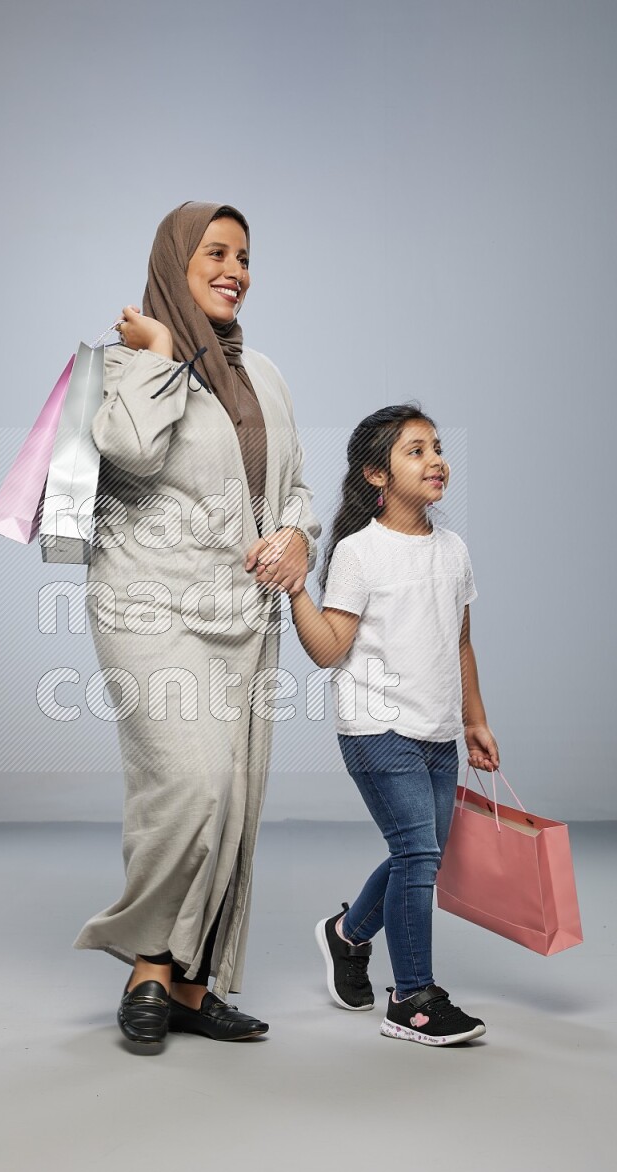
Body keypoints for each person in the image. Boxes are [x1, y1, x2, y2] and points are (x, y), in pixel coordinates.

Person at [73, 201, 321, 1050]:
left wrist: (298, 536)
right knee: (190, 784)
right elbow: (133, 450)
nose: (235, 271)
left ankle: (188, 983)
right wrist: (159, 355)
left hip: (243, 613)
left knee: (234, 801)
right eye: (215, 253)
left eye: (244, 257)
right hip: (147, 606)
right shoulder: (124, 364)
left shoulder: (265, 376)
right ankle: (148, 964)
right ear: (174, 261)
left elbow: (294, 487)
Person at [289, 404, 498, 1047]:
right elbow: (330, 649)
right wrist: (296, 590)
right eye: (416, 451)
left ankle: (347, 934)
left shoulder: (453, 550)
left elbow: (459, 641)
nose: (436, 460)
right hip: (376, 726)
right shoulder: (358, 553)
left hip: (438, 732)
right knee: (417, 854)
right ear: (376, 475)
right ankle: (412, 999)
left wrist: (475, 720)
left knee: (423, 855)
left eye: (437, 447)